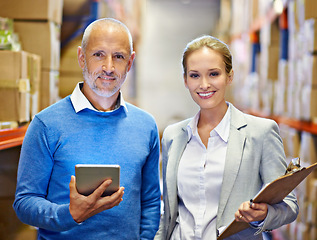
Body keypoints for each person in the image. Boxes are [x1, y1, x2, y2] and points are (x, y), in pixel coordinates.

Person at [13, 18, 161, 240]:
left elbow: (150, 201)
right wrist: (69, 214)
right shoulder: (46, 124)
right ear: (82, 58)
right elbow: (25, 202)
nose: (108, 67)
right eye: (98, 54)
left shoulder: (146, 126)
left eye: (118, 57)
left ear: (130, 63)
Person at [154, 35, 298, 240]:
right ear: (185, 80)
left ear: (229, 76)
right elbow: (169, 213)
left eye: (214, 74)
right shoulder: (173, 136)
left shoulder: (260, 132)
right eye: (195, 75)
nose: (204, 84)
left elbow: (289, 206)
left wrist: (262, 215)